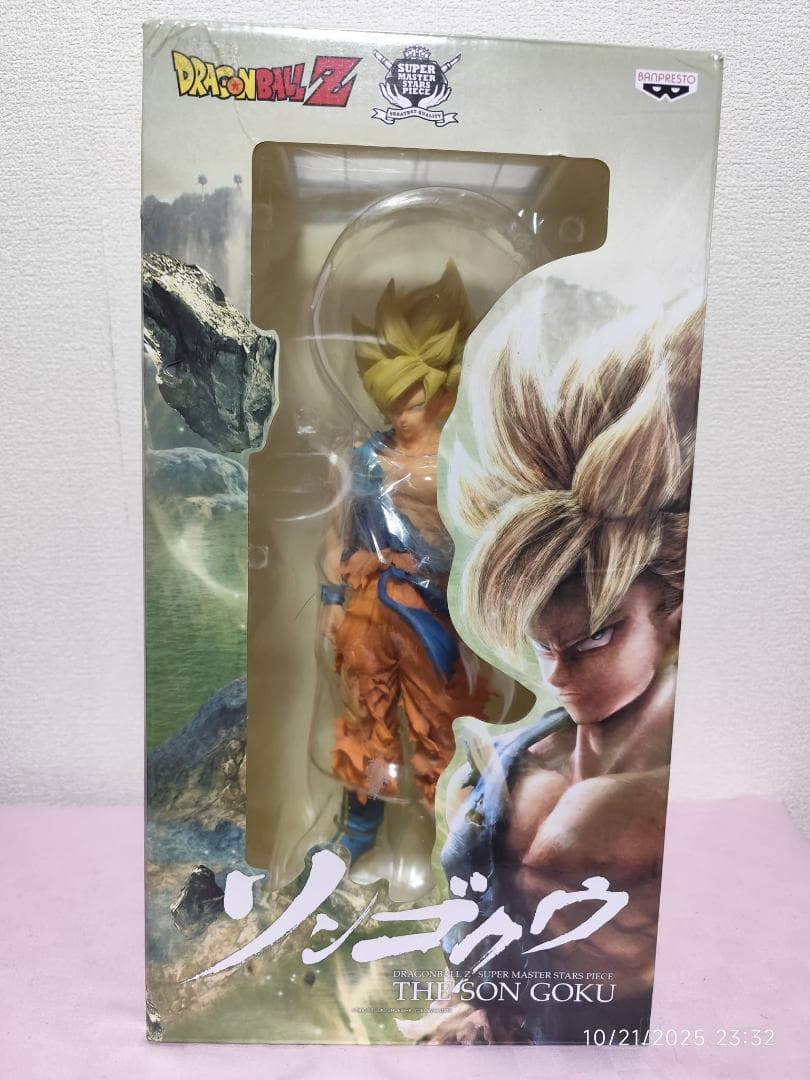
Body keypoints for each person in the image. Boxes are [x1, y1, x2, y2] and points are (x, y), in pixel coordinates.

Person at [435, 295, 704, 1043]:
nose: (557, 673)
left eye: (593, 640)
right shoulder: (507, 772)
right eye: (544, 647)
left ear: (672, 617)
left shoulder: (691, 783)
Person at [318, 261, 489, 863]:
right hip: (368, 610)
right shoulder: (365, 458)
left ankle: (455, 842)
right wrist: (332, 601)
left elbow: (486, 541)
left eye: (410, 398)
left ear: (443, 389)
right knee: (367, 728)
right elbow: (338, 532)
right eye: (390, 398)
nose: (399, 412)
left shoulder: (465, 463)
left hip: (434, 617)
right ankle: (360, 834)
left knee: (440, 732)